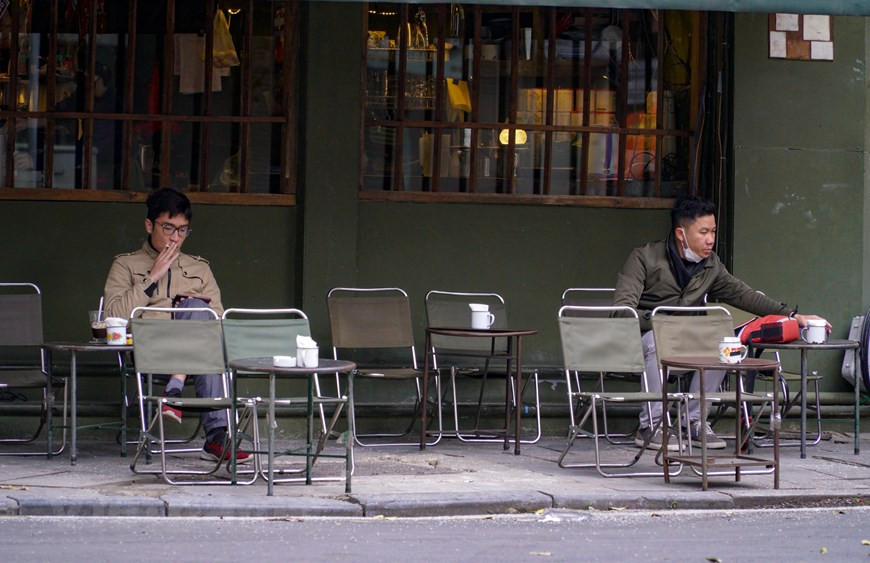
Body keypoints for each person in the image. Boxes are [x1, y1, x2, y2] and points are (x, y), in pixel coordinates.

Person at [613, 195, 828, 451]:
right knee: (656, 343)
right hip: (646, 340)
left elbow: (744, 295)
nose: (710, 239)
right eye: (703, 232)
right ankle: (653, 425)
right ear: (681, 233)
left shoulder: (711, 264)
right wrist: (659, 322)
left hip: (689, 341)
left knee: (725, 346)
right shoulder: (644, 257)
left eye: (713, 231)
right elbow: (622, 312)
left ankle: (693, 421)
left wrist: (794, 316)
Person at [103, 188, 250, 463]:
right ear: (150, 225)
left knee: (200, 314)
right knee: (204, 334)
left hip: (200, 353)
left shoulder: (200, 268)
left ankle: (177, 386)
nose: (175, 237)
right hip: (151, 350)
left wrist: (194, 313)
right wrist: (152, 277)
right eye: (168, 228)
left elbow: (218, 323)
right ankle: (217, 435)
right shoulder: (125, 265)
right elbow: (115, 317)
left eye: (182, 230)